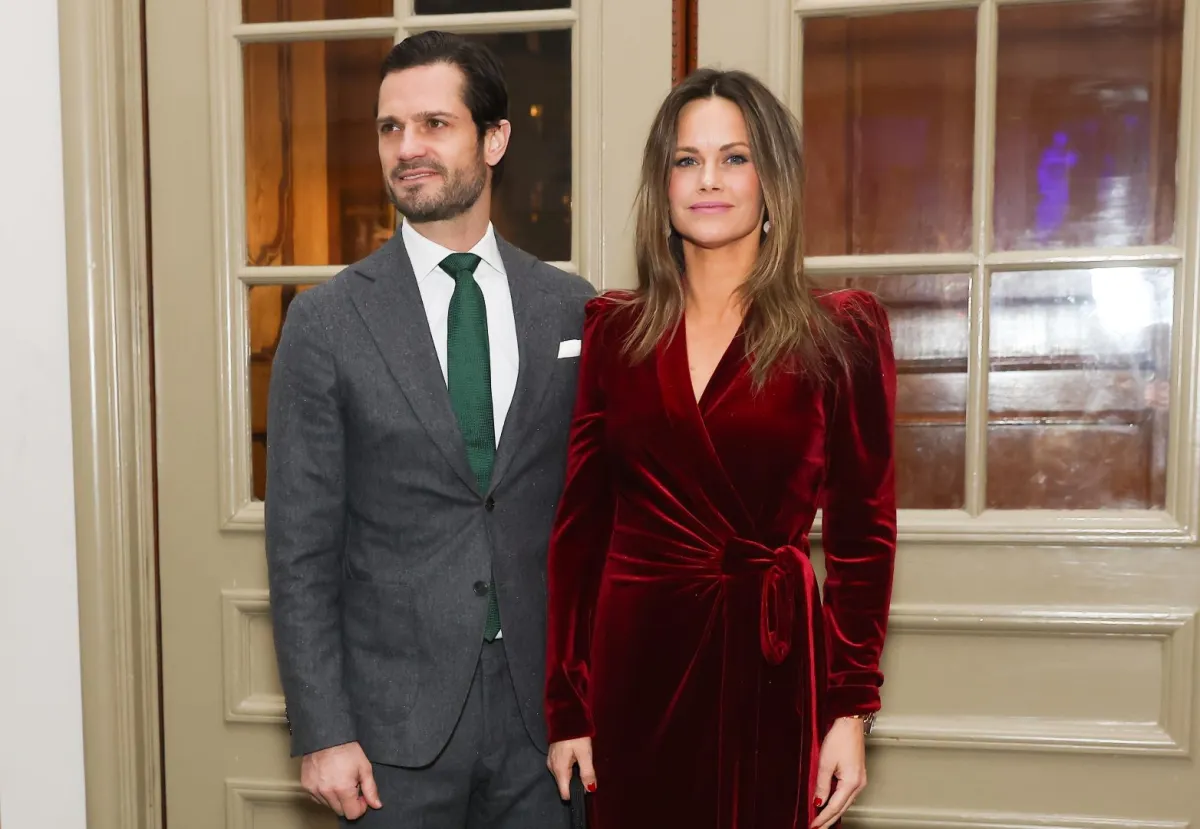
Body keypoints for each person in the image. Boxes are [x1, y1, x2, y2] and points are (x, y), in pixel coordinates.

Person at [543, 67, 898, 829]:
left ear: (772, 181)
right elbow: (581, 529)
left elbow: (864, 539)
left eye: (734, 158)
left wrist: (850, 710)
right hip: (635, 664)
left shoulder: (842, 331)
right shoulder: (615, 329)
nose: (708, 178)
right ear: (662, 185)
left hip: (769, 664)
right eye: (686, 159)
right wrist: (568, 704)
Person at [265, 30, 594, 827]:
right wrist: (323, 729)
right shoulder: (327, 322)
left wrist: (586, 698)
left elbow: (597, 521)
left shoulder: (572, 306)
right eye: (389, 127)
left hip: (543, 727)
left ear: (495, 138)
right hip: (388, 738)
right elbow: (300, 546)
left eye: (434, 124)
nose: (407, 148)